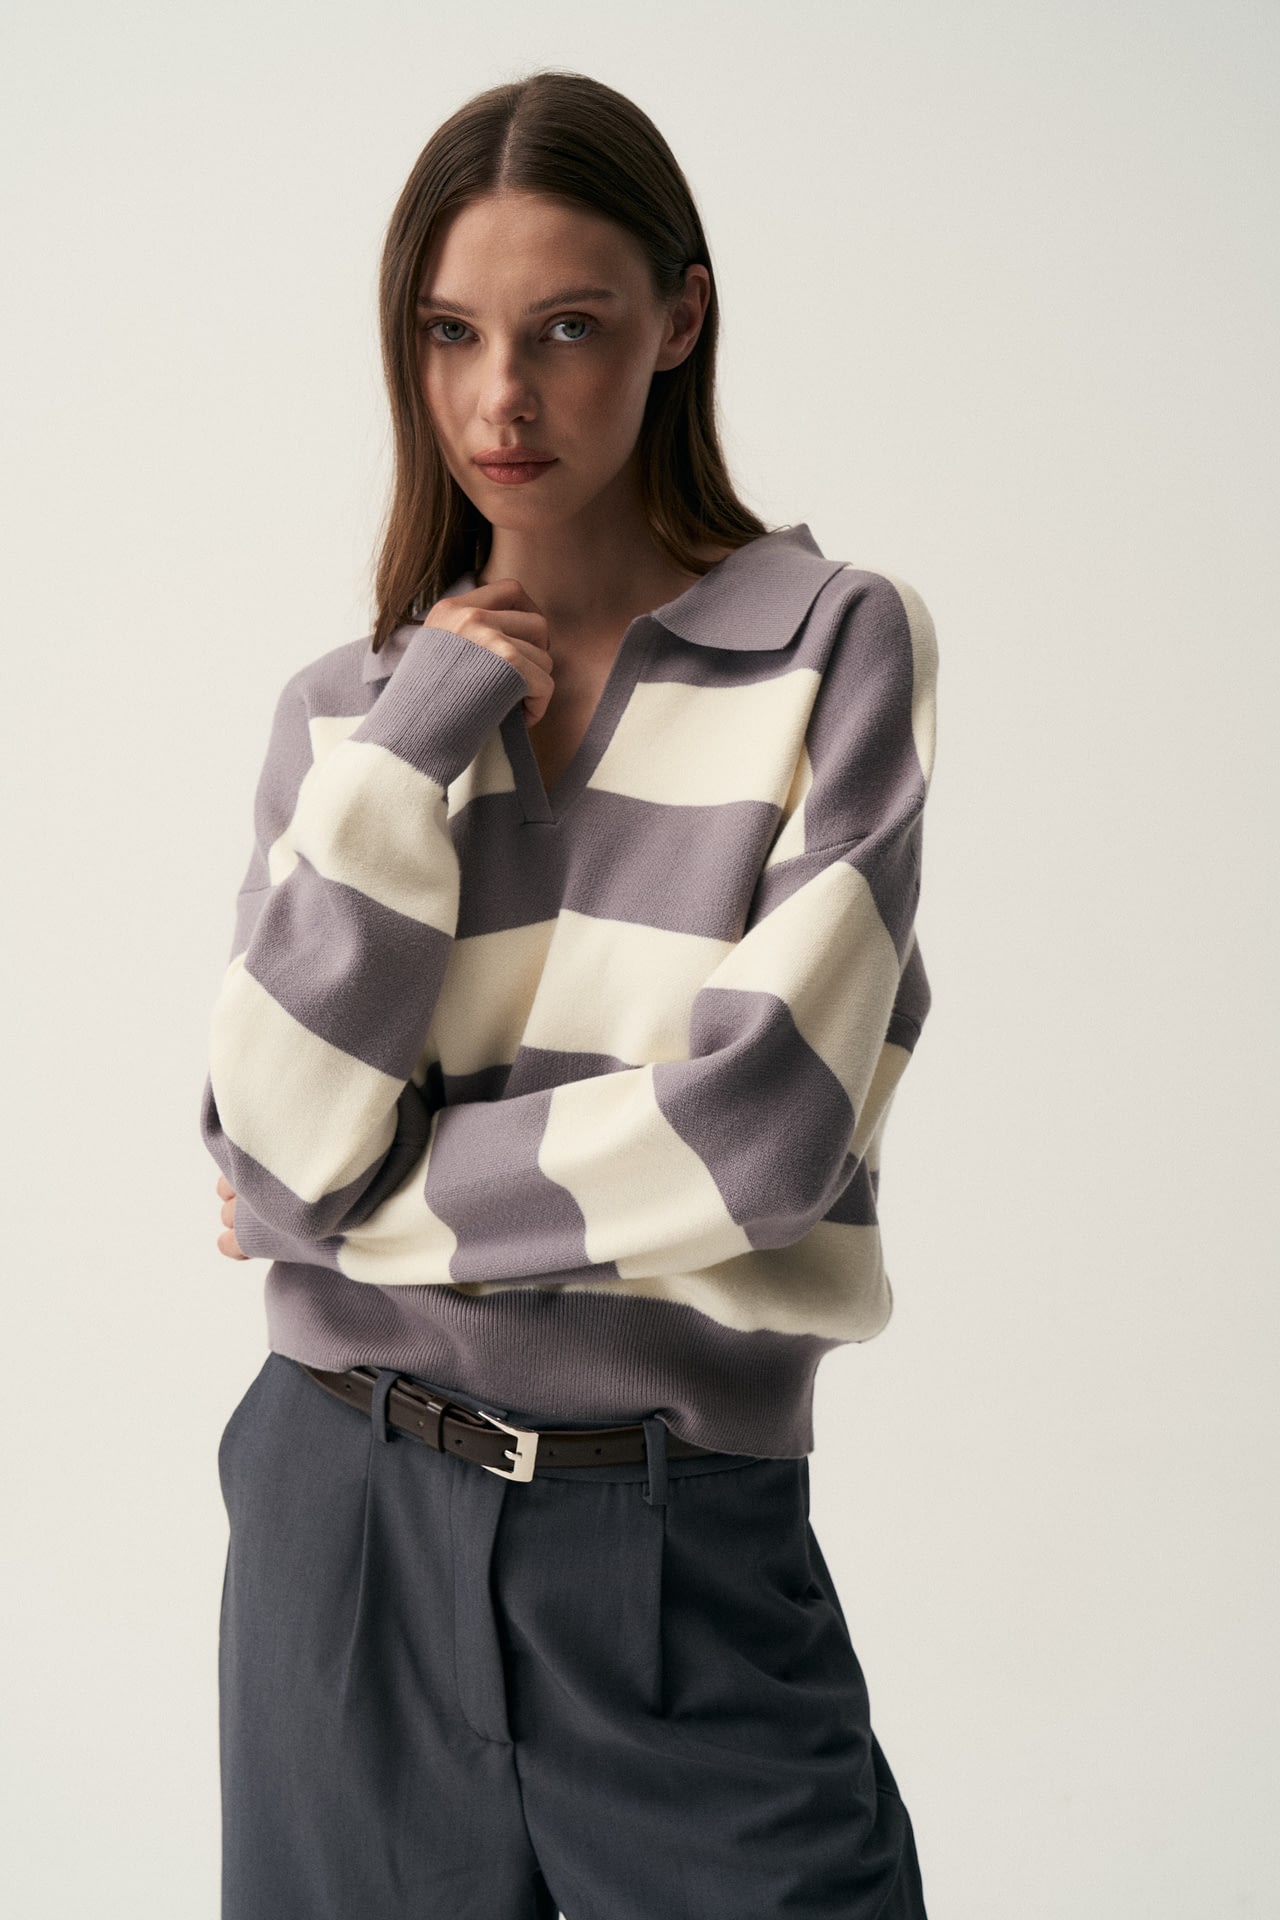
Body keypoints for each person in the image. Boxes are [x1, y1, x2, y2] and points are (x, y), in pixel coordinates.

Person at [201, 66, 937, 1920]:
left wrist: (350, 1214)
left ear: (680, 319)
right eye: (450, 332)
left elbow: (758, 1135)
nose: (499, 400)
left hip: (678, 1557)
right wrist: (421, 732)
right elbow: (276, 1141)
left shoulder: (830, 649)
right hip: (340, 1533)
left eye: (568, 328)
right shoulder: (347, 718)